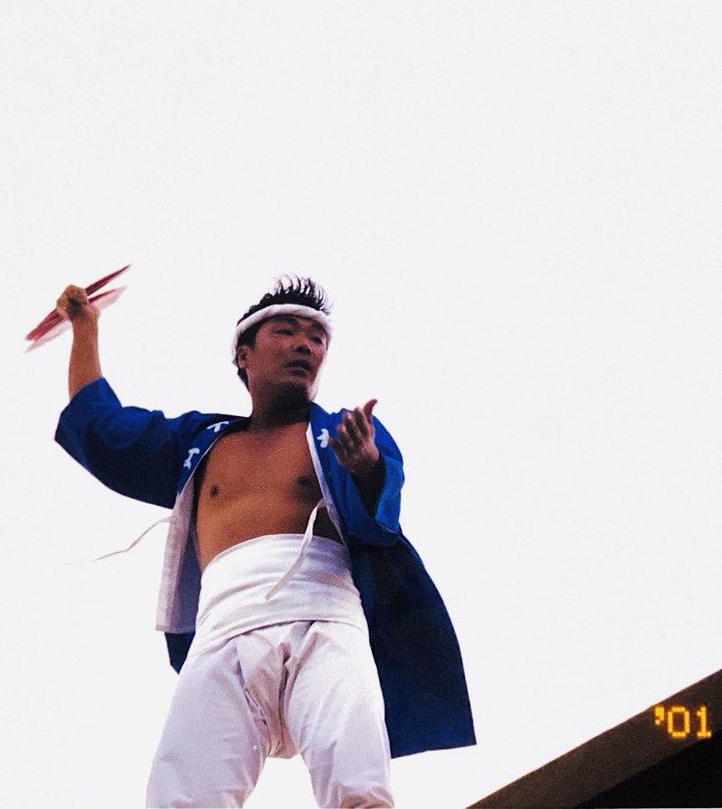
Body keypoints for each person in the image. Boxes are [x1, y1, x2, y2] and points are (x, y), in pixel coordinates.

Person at [52, 276, 474, 808]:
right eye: (287, 331)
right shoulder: (200, 445)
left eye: (317, 338)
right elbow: (103, 429)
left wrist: (366, 464)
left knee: (356, 780)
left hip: (323, 618)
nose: (306, 345)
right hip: (222, 633)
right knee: (182, 796)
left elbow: (380, 507)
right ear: (244, 355)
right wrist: (85, 327)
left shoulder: (340, 434)